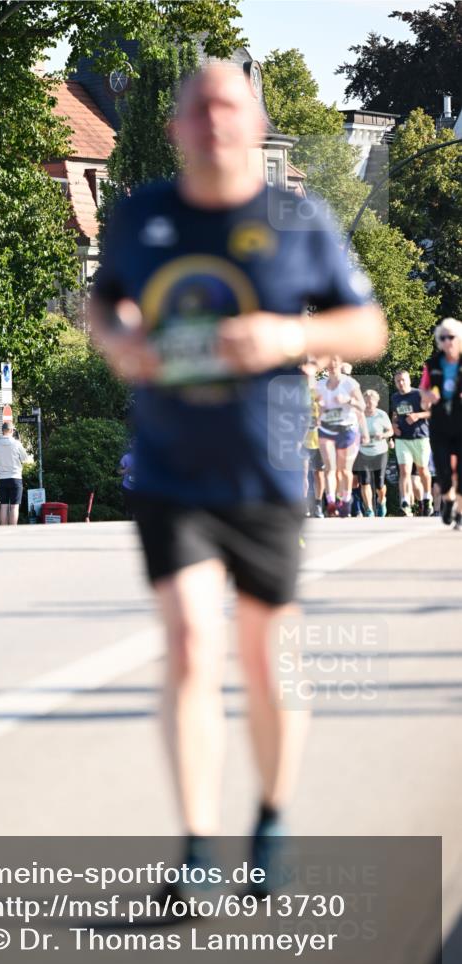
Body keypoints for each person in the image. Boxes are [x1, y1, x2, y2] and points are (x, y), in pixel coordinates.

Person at [89, 63, 387, 886]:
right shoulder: (142, 214)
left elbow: (368, 325)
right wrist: (117, 340)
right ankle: (195, 845)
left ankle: (272, 818)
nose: (214, 122)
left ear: (255, 123)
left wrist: (286, 339)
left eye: (229, 108)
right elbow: (105, 299)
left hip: (264, 473)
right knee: (189, 645)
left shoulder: (297, 219)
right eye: (198, 109)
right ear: (177, 126)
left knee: (265, 658)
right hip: (168, 468)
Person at [419, 317, 462, 529]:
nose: (447, 341)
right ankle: (448, 499)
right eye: (443, 338)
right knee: (443, 470)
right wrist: (428, 397)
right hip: (439, 421)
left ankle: (460, 515)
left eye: (451, 337)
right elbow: (423, 392)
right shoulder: (433, 363)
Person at [315, 356, 368, 517]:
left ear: (339, 364)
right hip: (327, 429)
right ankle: (331, 502)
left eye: (335, 363)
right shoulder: (320, 384)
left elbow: (362, 406)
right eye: (329, 364)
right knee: (329, 468)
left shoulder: (349, 383)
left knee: (344, 470)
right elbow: (316, 406)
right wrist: (320, 407)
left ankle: (345, 500)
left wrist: (348, 400)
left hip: (347, 429)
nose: (332, 366)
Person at [391, 370, 432, 516]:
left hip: (420, 437)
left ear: (408, 380)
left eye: (403, 380)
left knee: (422, 471)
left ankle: (427, 499)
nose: (401, 383)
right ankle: (405, 503)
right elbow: (395, 415)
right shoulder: (395, 397)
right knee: (404, 472)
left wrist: (417, 415)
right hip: (403, 440)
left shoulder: (419, 394)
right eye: (398, 381)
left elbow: (431, 412)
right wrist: (394, 425)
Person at [354, 390, 393, 517]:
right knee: (365, 481)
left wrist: (382, 435)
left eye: (371, 401)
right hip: (362, 451)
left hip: (380, 451)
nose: (368, 404)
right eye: (366, 402)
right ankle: (369, 509)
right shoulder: (359, 416)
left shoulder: (382, 415)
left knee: (380, 482)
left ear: (376, 402)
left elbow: (390, 431)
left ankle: (382, 501)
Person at [299, 358, 325, 517]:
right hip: (301, 439)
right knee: (303, 472)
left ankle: (318, 504)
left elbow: (325, 408)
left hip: (318, 438)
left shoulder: (319, 390)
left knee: (318, 474)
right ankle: (304, 506)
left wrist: (319, 420)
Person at [0, 422, 28, 525]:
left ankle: (3, 529)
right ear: (12, 431)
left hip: (2, 478)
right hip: (15, 477)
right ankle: (12, 530)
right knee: (14, 506)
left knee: (3, 505)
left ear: (2, 430)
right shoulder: (16, 443)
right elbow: (25, 458)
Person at [118, 443, 136, 517]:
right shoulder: (126, 457)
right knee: (129, 510)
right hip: (127, 487)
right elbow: (118, 470)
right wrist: (127, 470)